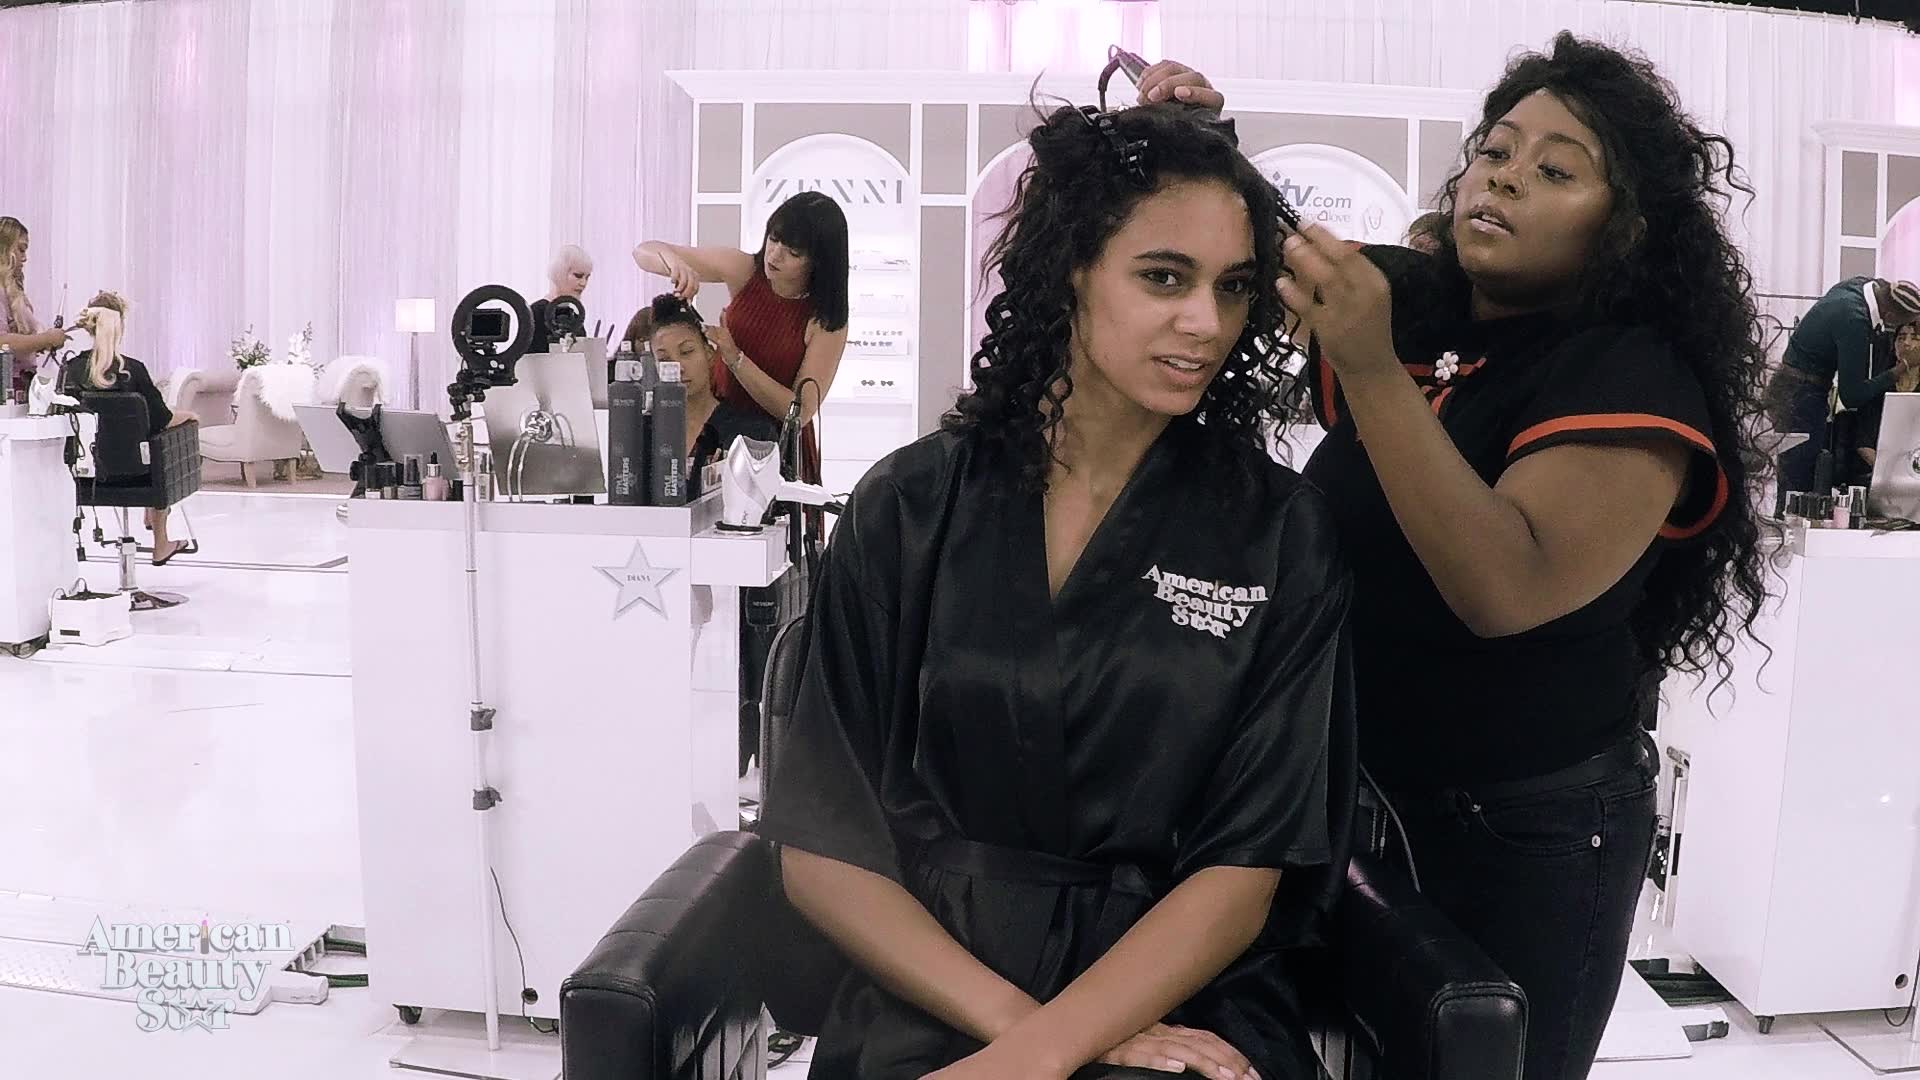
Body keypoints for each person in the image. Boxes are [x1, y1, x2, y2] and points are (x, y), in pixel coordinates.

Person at [1143, 35, 1772, 1080]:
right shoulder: (1429, 309)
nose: (1505, 177)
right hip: (1368, 788)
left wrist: (1370, 371)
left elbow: (1506, 586)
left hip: (1526, 827)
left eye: (1556, 170)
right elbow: (1284, 250)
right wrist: (1204, 143)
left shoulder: (1630, 374)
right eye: (1496, 150)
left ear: (1624, 227)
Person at [757, 101, 1352, 1080]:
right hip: (938, 981)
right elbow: (824, 850)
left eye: (1234, 287)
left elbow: (1244, 873)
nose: (1206, 323)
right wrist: (1031, 1034)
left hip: (1183, 997)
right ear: (1071, 267)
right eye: (1165, 277)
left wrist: (1040, 1053)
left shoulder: (1281, 532)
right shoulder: (908, 506)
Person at [631, 191, 850, 491]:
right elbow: (643, 252)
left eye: (793, 252)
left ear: (819, 261)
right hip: (721, 430)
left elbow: (799, 412)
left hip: (775, 448)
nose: (774, 256)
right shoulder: (744, 269)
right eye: (773, 239)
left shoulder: (825, 320)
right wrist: (674, 263)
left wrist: (735, 359)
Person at [66, 292, 197, 566]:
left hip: (87, 476)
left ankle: (152, 510)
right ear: (120, 325)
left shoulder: (72, 370)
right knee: (165, 443)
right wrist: (189, 417)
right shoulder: (133, 371)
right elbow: (161, 420)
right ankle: (160, 539)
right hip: (140, 475)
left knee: (146, 445)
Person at [1767, 277, 1920, 495]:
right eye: (1900, 333)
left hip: (1792, 386)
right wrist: (1902, 367)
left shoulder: (1858, 286)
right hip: (1799, 395)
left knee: (1798, 476)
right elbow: (1852, 396)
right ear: (1890, 317)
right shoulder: (1854, 320)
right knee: (1798, 482)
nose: (1908, 343)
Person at [638, 292, 773, 485]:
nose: (677, 367)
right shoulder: (645, 431)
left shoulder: (750, 432)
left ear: (709, 354)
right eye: (664, 359)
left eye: (687, 352)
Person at [0, 217, 74, 400]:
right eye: (21, 249)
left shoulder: (12, 292)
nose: (24, 258)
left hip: (19, 384)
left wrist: (38, 342)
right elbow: (2, 342)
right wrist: (44, 339)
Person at [1855, 320, 1920, 473]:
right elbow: (1864, 442)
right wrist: (1886, 470)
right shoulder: (1879, 388)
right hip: (1883, 470)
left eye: (1915, 338)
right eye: (1901, 338)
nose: (1906, 343)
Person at [528, 244, 593, 352]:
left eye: (587, 277)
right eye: (578, 276)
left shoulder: (574, 315)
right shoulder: (535, 313)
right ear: (560, 273)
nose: (583, 283)